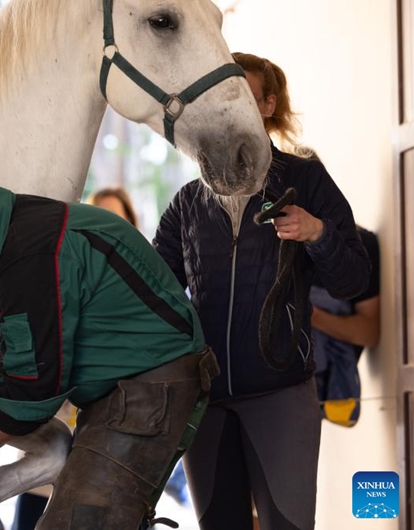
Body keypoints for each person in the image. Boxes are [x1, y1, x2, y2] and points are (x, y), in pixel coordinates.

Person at [0, 154, 220, 529]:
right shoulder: (15, 235)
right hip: (132, 387)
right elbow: (23, 377)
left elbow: (31, 394)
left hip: (152, 388)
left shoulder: (29, 256)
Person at [152, 52, 370, 530]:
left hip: (281, 396)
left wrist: (318, 233)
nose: (229, 113)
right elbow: (152, 299)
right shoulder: (188, 202)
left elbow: (353, 278)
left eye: (244, 100)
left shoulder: (305, 179)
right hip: (206, 401)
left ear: (269, 105)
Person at [311, 227, 380, 427]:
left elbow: (370, 333)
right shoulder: (264, 241)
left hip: (313, 392)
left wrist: (309, 315)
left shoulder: (358, 244)